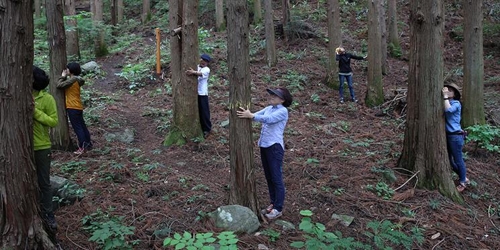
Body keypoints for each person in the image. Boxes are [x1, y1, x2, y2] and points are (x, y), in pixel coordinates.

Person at [237, 87, 293, 220]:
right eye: (272, 95)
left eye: (275, 96)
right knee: (269, 176)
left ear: (282, 100)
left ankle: (278, 208)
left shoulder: (282, 111)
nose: (271, 97)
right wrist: (249, 114)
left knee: (276, 177)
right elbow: (257, 115)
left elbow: (267, 119)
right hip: (264, 145)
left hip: (274, 147)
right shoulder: (269, 108)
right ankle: (273, 203)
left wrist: (251, 116)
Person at [33, 66, 59, 230]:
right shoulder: (18, 94)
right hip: (21, 148)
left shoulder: (47, 98)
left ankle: (48, 214)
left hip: (41, 146)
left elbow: (53, 121)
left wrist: (35, 112)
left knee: (44, 182)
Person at [57, 62, 92, 154]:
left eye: (67, 69)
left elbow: (59, 85)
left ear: (71, 70)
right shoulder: (76, 80)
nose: (66, 70)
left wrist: (63, 76)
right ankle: (87, 144)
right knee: (82, 126)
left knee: (78, 128)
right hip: (78, 106)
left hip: (72, 106)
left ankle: (82, 148)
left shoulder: (72, 80)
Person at [442, 83, 469, 192]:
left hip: (455, 136)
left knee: (458, 160)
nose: (447, 91)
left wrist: (444, 96)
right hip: (448, 136)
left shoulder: (456, 103)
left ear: (455, 94)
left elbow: (448, 110)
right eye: (446, 90)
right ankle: (464, 177)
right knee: (449, 161)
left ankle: (462, 181)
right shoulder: (446, 102)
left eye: (450, 90)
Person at [186, 54, 212, 138]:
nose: (204, 62)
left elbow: (200, 74)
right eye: (203, 60)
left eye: (206, 61)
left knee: (204, 111)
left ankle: (207, 129)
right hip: (194, 93)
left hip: (202, 93)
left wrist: (193, 72)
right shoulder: (196, 66)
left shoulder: (206, 69)